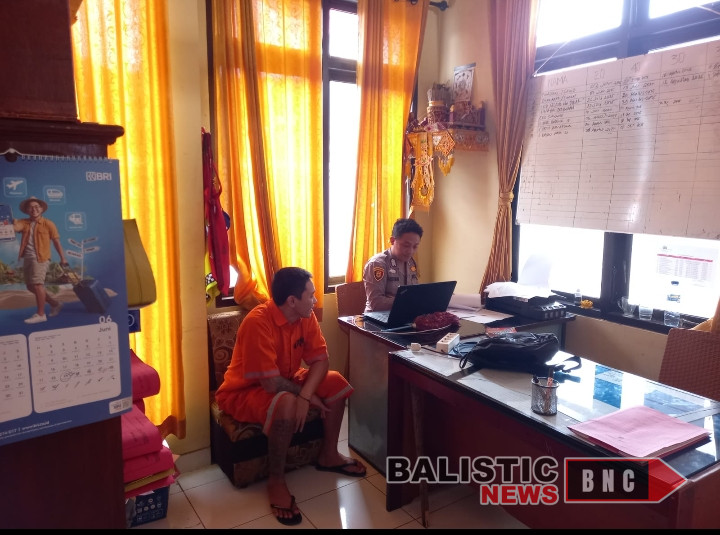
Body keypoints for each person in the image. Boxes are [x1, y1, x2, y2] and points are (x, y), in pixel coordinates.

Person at [215, 267, 366, 526]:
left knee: (336, 383)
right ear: (292, 301)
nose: (316, 300)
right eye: (311, 295)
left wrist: (306, 396)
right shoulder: (257, 322)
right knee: (286, 402)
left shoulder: (305, 316)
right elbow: (270, 383)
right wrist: (303, 397)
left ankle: (329, 454)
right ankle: (276, 481)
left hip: (288, 377)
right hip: (244, 391)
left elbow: (321, 360)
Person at [13, 196, 67, 324]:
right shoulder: (23, 222)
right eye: (30, 207)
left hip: (41, 257)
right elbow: (15, 228)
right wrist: (10, 221)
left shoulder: (48, 223)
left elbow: (56, 242)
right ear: (27, 210)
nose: (34, 209)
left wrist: (63, 258)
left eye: (37, 206)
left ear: (41, 209)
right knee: (30, 286)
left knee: (37, 285)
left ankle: (41, 314)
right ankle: (55, 304)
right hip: (27, 258)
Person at [363, 217, 423, 312]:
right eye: (406, 245)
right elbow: (376, 303)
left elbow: (414, 292)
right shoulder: (377, 264)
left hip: (404, 314)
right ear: (392, 240)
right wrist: (408, 300)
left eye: (415, 247)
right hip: (378, 317)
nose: (410, 251)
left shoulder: (411, 262)